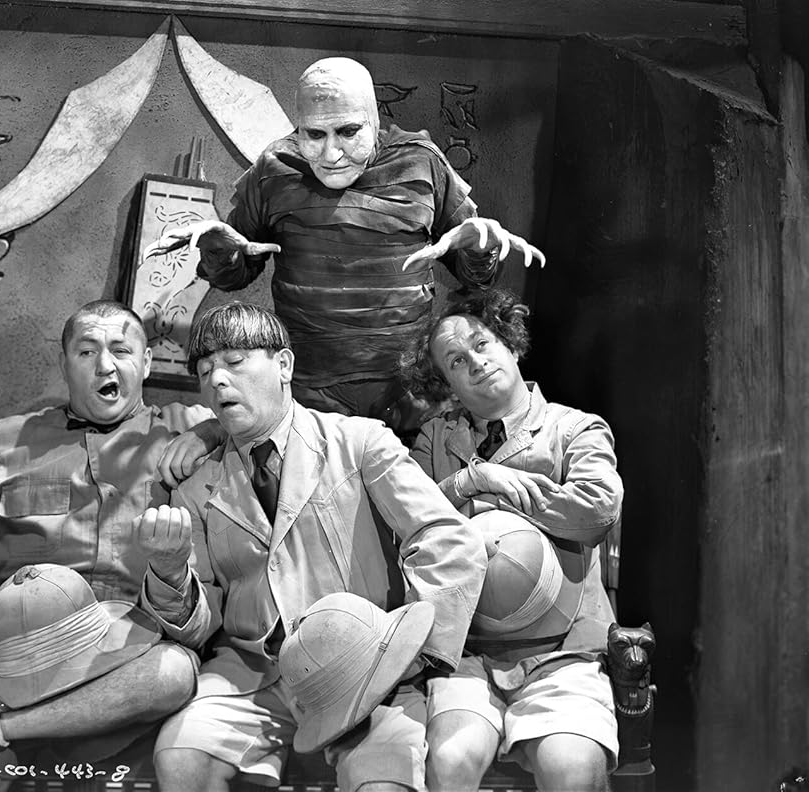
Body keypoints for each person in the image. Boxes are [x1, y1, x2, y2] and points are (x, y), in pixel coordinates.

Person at [0, 300, 221, 792]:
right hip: (14, 649)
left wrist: (211, 431)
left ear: (147, 363)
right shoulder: (5, 444)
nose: (105, 365)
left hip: (130, 651)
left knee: (173, 673)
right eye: (87, 351)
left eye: (121, 350)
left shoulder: (187, 432)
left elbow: (273, 421)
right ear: (64, 363)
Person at [135, 301, 487, 792]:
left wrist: (411, 653)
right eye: (205, 370)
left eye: (234, 362)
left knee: (383, 783)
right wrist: (170, 573)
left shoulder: (359, 443)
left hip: (368, 670)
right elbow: (199, 626)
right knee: (181, 756)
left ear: (284, 365)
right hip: (254, 676)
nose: (217, 380)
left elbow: (447, 538)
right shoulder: (196, 487)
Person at [147, 56, 545, 438]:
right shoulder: (274, 168)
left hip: (411, 392)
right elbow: (235, 275)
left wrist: (479, 250)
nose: (332, 154)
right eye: (314, 135)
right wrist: (219, 250)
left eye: (349, 132)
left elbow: (477, 279)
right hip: (309, 396)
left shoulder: (421, 162)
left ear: (374, 119)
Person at [400, 288, 623, 792]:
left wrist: (502, 499)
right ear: (448, 384)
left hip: (564, 653)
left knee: (572, 769)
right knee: (449, 762)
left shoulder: (574, 428)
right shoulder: (435, 439)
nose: (476, 362)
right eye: (457, 361)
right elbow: (408, 521)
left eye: (482, 344)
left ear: (511, 344)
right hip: (467, 653)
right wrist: (469, 480)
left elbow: (596, 511)